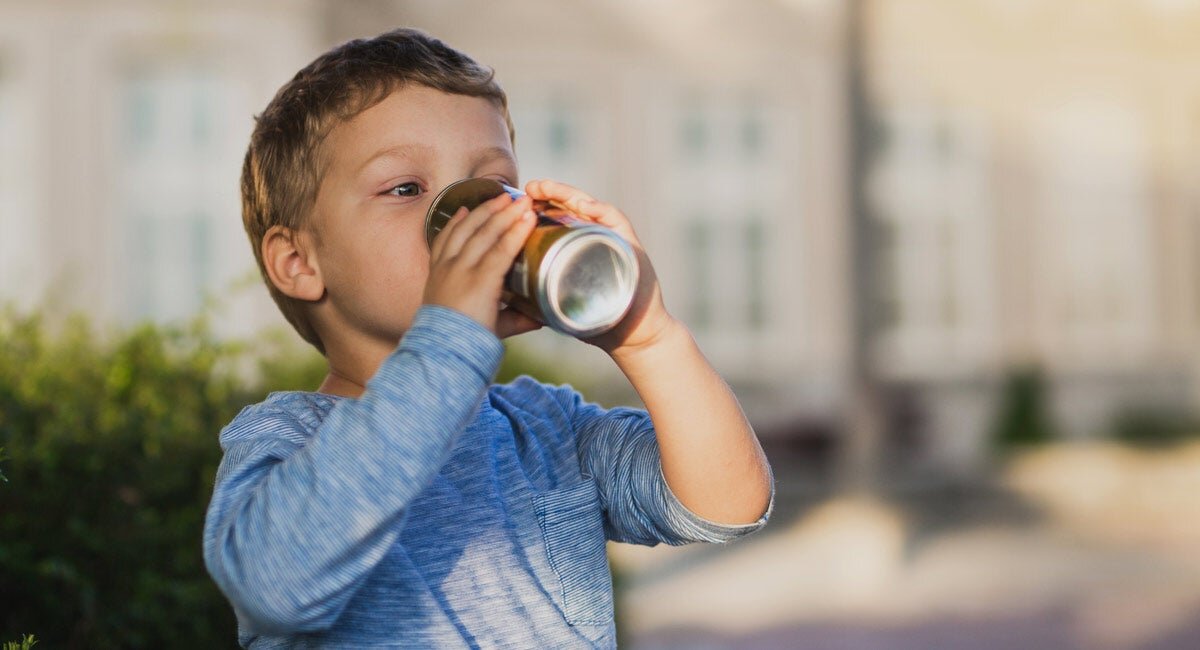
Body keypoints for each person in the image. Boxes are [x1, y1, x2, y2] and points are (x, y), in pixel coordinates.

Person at [202, 27, 773, 648]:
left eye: (492, 189)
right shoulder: (285, 439)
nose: (467, 219)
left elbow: (726, 504)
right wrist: (448, 340)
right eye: (406, 189)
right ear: (300, 261)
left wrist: (649, 339)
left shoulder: (546, 429)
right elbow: (276, 585)